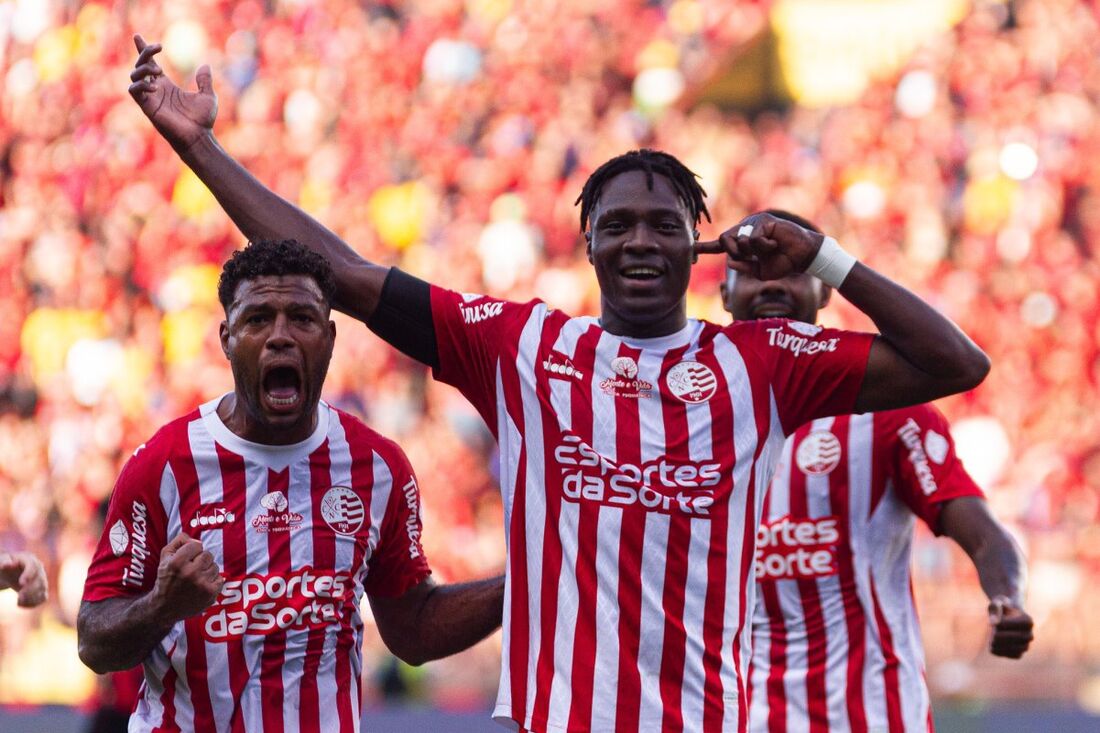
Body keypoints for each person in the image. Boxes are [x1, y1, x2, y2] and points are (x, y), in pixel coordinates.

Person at [126, 37, 991, 732]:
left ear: (699, 244)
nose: (640, 241)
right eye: (615, 224)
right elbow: (343, 272)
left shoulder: (759, 361)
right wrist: (200, 146)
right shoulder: (524, 348)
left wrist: (829, 258)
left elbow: (956, 363)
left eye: (664, 224)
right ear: (588, 247)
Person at [78, 239, 505, 732]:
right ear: (226, 337)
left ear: (329, 336)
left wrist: (523, 586)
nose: (280, 336)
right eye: (257, 319)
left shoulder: (377, 466)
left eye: (301, 318)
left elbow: (412, 629)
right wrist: (161, 607)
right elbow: (94, 643)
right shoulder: (164, 465)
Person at [720, 211, 1034, 732]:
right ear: (725, 293)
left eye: (793, 269)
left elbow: (984, 534)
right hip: (738, 718)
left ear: (824, 292)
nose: (771, 282)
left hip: (871, 718)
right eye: (752, 271)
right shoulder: (688, 414)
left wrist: (1008, 597)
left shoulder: (888, 415)